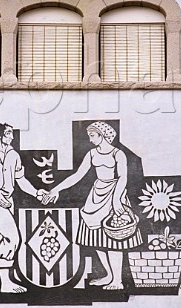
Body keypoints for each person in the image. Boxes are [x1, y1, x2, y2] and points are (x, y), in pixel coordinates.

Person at [45, 121, 142, 290]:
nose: (90, 140)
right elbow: (77, 176)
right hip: (96, 194)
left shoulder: (118, 154)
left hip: (114, 194)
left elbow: (123, 178)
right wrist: (56, 189)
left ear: (102, 135)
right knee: (96, 238)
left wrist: (116, 199)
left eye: (92, 136)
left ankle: (118, 280)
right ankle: (109, 275)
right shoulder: (91, 154)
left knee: (114, 240)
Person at [0, 122, 47, 293]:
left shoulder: (14, 155)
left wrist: (37, 193)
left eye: (12, 134)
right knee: (13, 238)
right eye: (8, 133)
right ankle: (6, 283)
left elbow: (21, 180)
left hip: (8, 200)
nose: (12, 137)